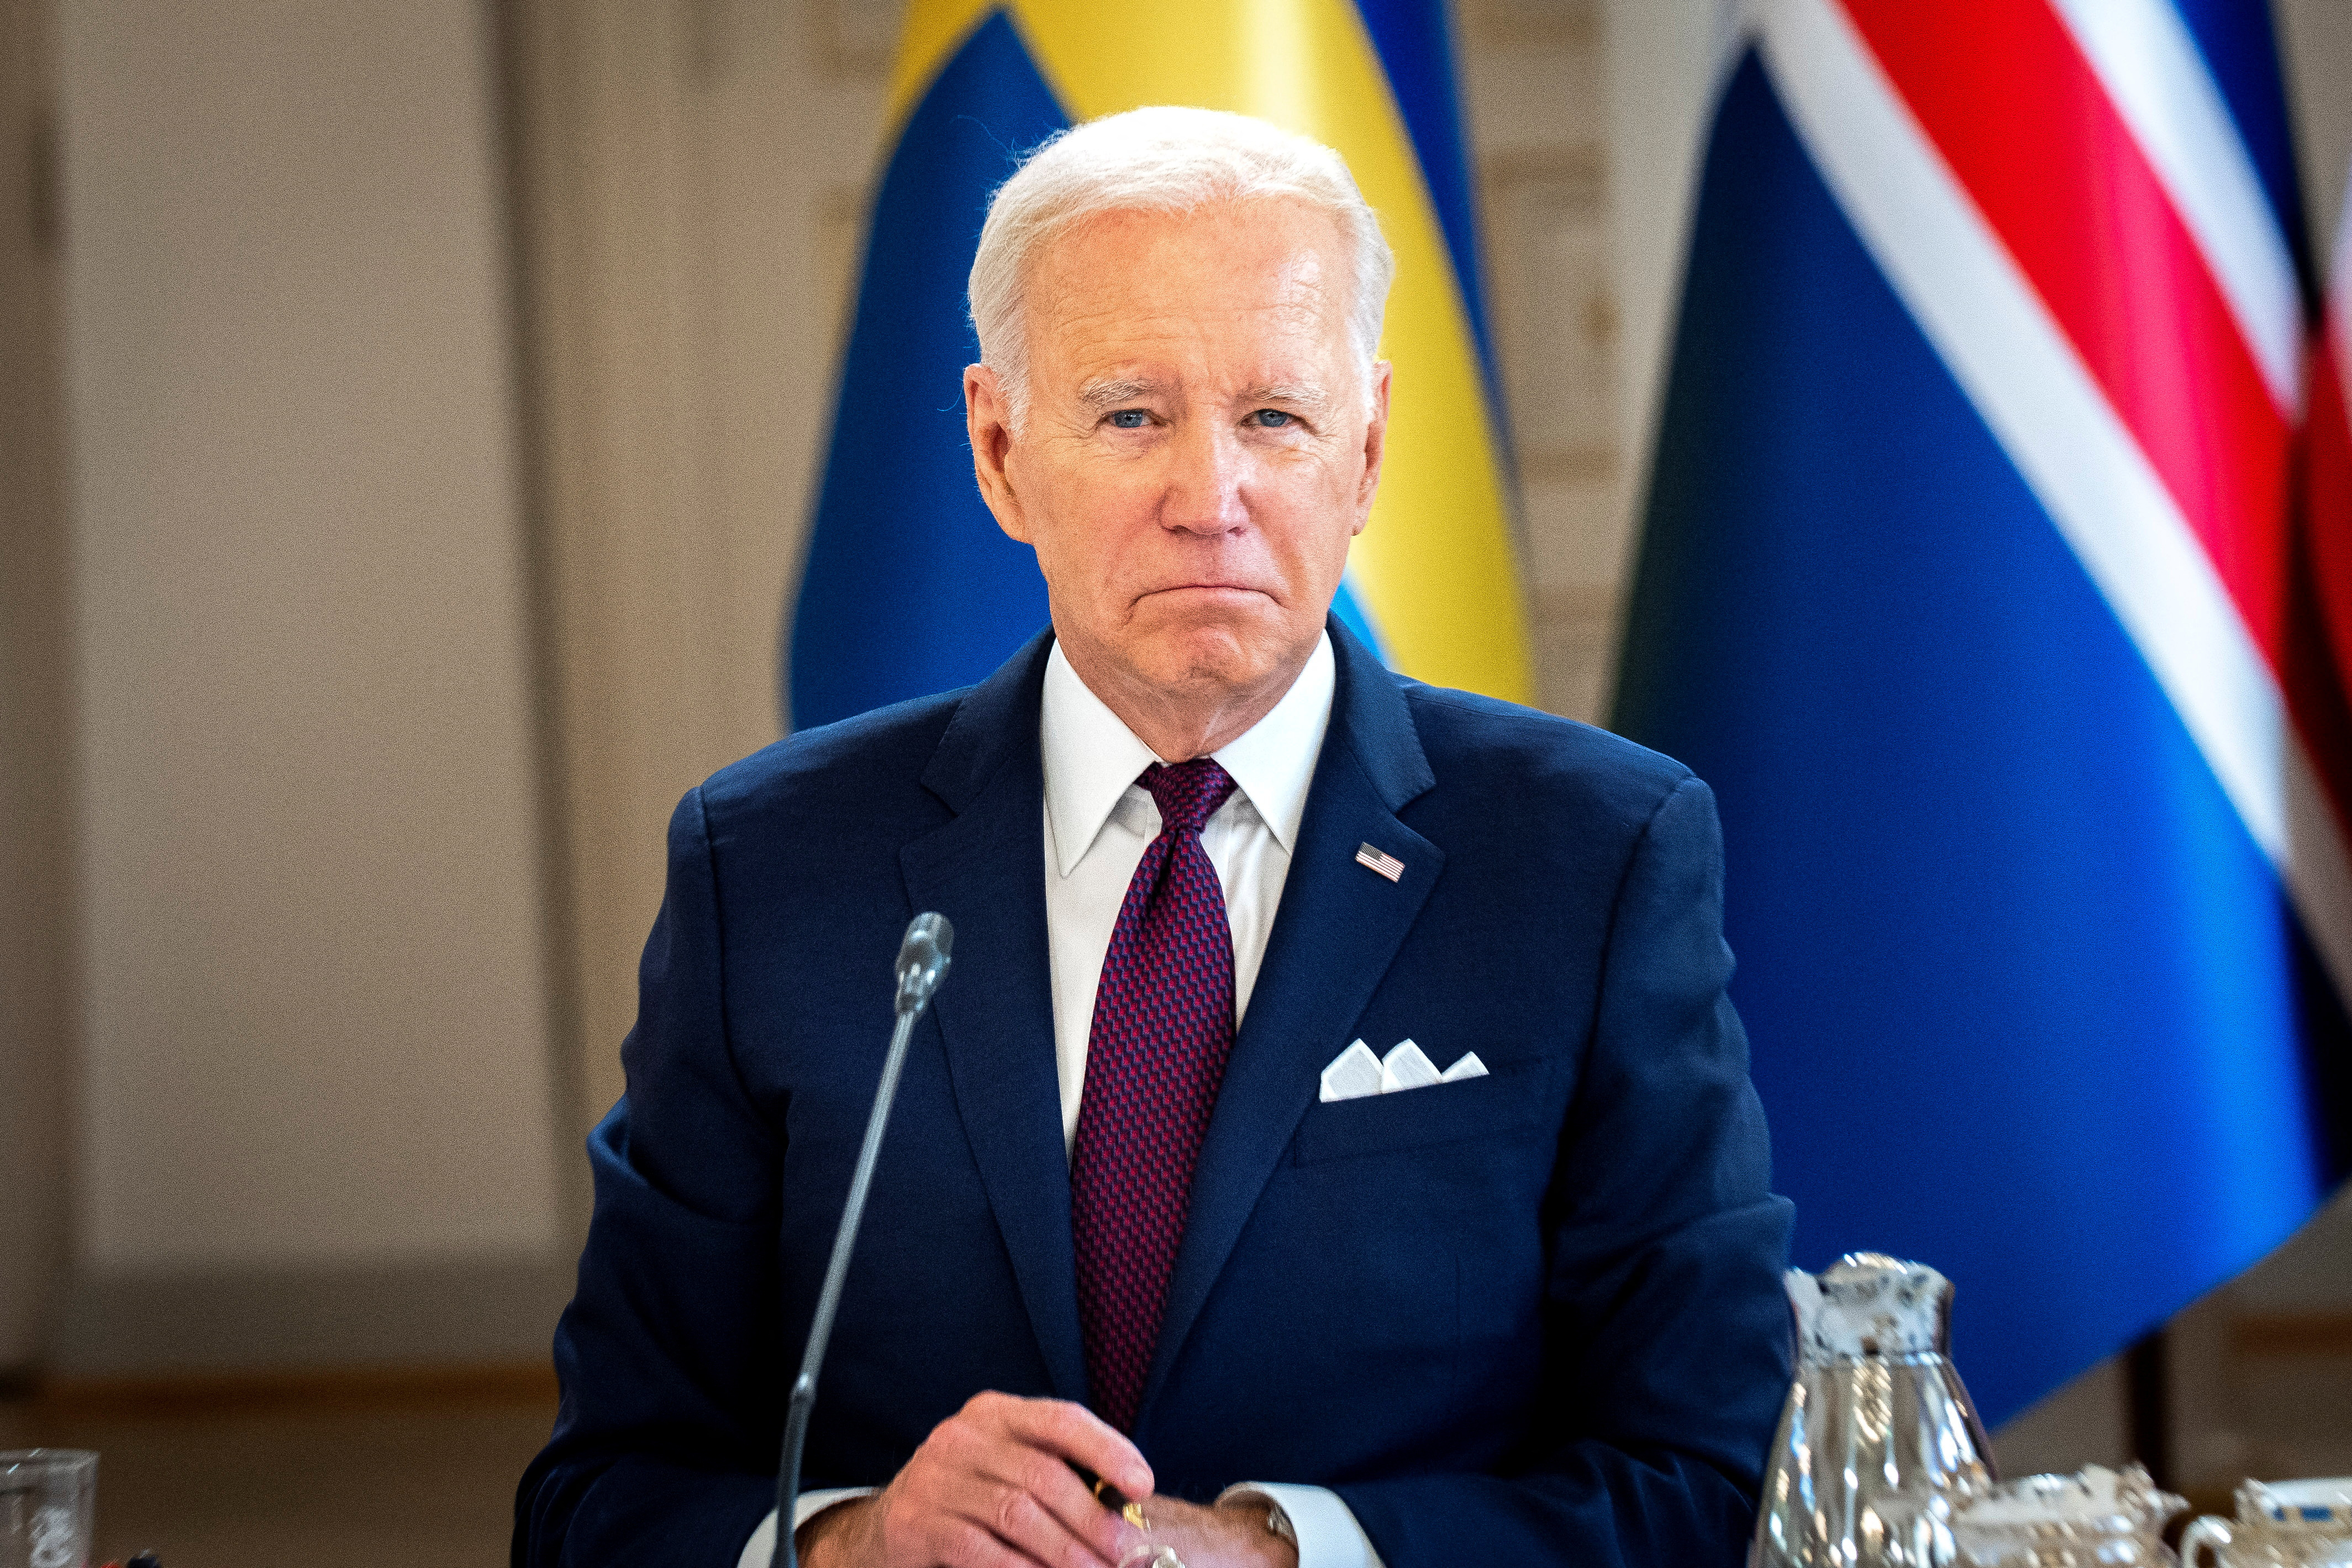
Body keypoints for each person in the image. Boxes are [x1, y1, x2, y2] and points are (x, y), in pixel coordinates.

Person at [515, 107, 1793, 1568]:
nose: (1210, 499)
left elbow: (1705, 1474)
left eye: (1274, 418)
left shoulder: (1592, 853)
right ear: (999, 453)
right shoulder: (769, 866)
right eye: (1130, 415)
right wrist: (850, 1546)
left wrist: (1272, 1555)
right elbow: (592, 1504)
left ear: (1364, 455)